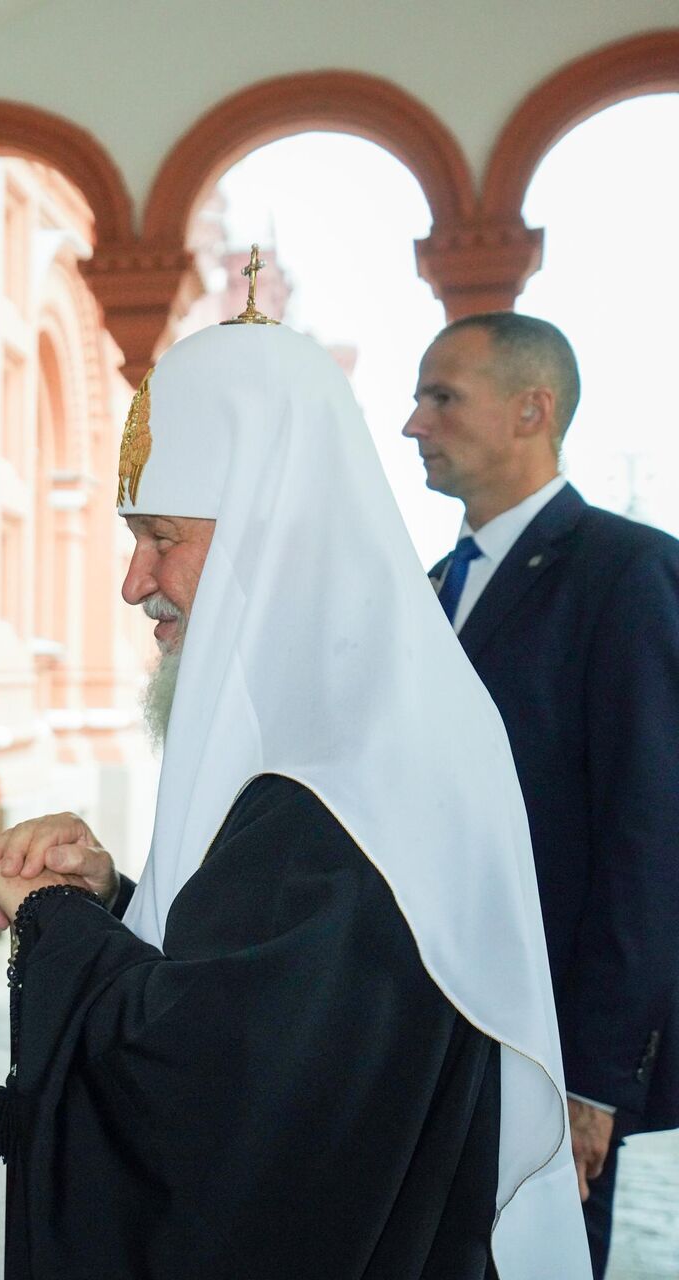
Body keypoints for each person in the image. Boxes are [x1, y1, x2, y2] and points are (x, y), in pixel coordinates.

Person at [0, 307, 587, 1279]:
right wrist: (109, 896)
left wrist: (52, 919)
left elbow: (212, 1099)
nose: (135, 583)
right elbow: (262, 979)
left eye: (160, 538)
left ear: (271, 534)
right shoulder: (356, 728)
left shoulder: (342, 778)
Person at [406, 311, 679, 1274]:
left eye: (442, 396)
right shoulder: (431, 584)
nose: (413, 423)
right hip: (420, 1037)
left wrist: (597, 1081)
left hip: (544, 1053)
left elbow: (647, 843)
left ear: (534, 408)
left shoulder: (627, 573)